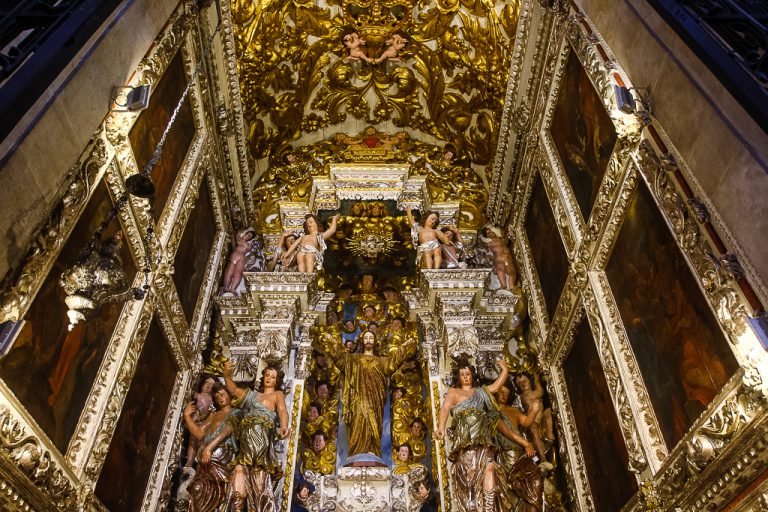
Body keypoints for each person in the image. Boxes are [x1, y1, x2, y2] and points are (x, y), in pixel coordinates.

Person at [320, 330, 417, 457]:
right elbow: (341, 361)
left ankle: (373, 450)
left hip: (375, 401)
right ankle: (356, 452)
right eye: (366, 337)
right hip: (358, 399)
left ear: (375, 341)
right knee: (358, 423)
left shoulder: (382, 361)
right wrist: (334, 343)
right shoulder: (354, 359)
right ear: (362, 341)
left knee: (374, 425)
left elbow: (393, 364)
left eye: (371, 337)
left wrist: (403, 347)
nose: (369, 340)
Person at [435, 356, 509, 512]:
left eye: (468, 374)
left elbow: (495, 387)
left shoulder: (481, 392)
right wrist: (441, 427)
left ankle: (489, 508)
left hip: (483, 440)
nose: (465, 377)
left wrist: (505, 369)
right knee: (470, 478)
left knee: (489, 468)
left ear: (472, 375)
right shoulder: (454, 392)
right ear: (458, 377)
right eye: (462, 375)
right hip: (465, 440)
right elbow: (445, 408)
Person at [223, 361, 290, 512]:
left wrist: (284, 426)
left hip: (262, 439)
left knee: (259, 474)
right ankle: (238, 507)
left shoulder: (277, 394)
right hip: (246, 439)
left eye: (273, 377)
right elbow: (233, 390)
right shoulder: (252, 395)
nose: (269, 379)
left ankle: (258, 507)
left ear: (276, 381)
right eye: (267, 375)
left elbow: (282, 410)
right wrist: (226, 374)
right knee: (240, 469)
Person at [185, 384, 241, 512]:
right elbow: (199, 433)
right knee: (197, 488)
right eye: (216, 397)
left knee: (220, 491)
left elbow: (227, 430)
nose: (220, 398)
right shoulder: (213, 415)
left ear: (229, 394)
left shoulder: (236, 412)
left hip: (222, 456)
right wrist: (187, 417)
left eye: (222, 394)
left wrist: (209, 448)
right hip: (205, 462)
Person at [494, 383, 544, 512]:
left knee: (535, 481)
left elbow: (526, 422)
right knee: (513, 489)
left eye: (507, 393)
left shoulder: (514, 410)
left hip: (521, 454)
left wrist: (534, 410)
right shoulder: (492, 412)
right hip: (506, 455)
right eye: (501, 392)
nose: (504, 395)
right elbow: (506, 432)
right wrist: (526, 444)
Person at [515, 372, 554, 463]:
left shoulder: (533, 392)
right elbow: (540, 392)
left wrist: (536, 379)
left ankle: (549, 434)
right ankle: (543, 459)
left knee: (548, 412)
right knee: (533, 428)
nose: (523, 384)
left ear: (529, 381)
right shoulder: (524, 395)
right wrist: (536, 380)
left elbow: (540, 391)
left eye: (524, 381)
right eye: (519, 384)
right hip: (532, 421)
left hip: (541, 418)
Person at [184, 376, 217, 467]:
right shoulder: (197, 395)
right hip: (194, 422)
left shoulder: (214, 400)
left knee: (202, 441)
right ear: (202, 383)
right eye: (207, 382)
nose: (208, 385)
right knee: (193, 439)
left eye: (212, 384)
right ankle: (189, 460)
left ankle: (199, 460)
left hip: (206, 425)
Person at [223, 228, 256, 293]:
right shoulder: (240, 239)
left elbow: (238, 240)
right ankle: (226, 287)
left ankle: (233, 289)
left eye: (249, 236)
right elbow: (238, 233)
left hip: (241, 258)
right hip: (234, 256)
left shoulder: (247, 245)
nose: (248, 237)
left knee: (238, 273)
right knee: (229, 271)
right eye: (248, 235)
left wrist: (245, 233)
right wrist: (246, 230)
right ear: (245, 234)